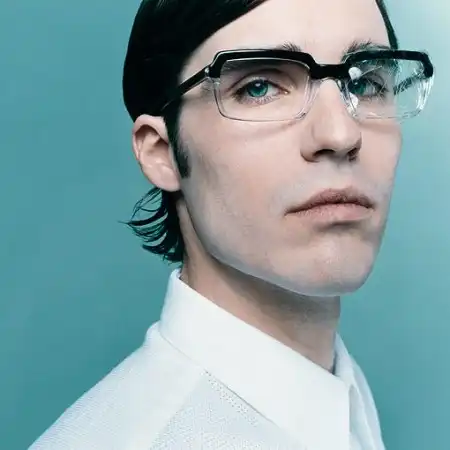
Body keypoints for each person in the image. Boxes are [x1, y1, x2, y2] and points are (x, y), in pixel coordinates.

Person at [30, 0, 435, 448]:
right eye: (259, 87)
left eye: (366, 82)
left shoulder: (335, 391)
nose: (340, 135)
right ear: (162, 152)